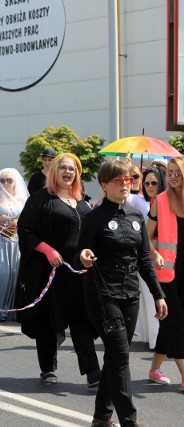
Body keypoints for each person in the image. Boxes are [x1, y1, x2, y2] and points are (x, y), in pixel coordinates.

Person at [78, 160, 167, 427]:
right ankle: (129, 419)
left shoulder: (137, 216)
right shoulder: (93, 217)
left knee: (115, 357)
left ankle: (101, 417)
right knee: (120, 356)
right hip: (102, 294)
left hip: (130, 294)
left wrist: (158, 294)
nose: (124, 184)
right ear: (104, 185)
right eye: (118, 180)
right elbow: (78, 251)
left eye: (128, 179)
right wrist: (82, 256)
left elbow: (143, 261)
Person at [16, 153, 101, 386]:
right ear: (54, 172)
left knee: (81, 319)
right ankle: (47, 368)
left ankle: (92, 370)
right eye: (63, 168)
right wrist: (48, 251)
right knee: (47, 320)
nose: (67, 172)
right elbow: (25, 230)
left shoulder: (82, 202)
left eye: (72, 169)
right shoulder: (40, 199)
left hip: (76, 272)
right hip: (47, 271)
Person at [146, 157, 184, 390]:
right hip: (166, 274)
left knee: (170, 324)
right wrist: (154, 254)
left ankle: (153, 369)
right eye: (169, 172)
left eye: (177, 171)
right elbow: (145, 237)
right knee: (177, 322)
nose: (172, 175)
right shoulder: (160, 200)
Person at [0, 168, 28, 321]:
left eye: (9, 180)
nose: (6, 183)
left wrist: (18, 222)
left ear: (15, 182)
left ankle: (13, 309)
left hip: (15, 241)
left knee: (15, 274)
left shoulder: (22, 200)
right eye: (2, 180)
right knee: (2, 274)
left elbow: (29, 220)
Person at [133, 166, 166, 348]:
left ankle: (159, 340)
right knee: (151, 299)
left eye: (154, 182)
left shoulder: (165, 200)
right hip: (150, 257)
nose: (149, 186)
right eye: (146, 183)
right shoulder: (147, 201)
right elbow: (146, 235)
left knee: (159, 299)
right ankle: (156, 340)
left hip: (164, 258)